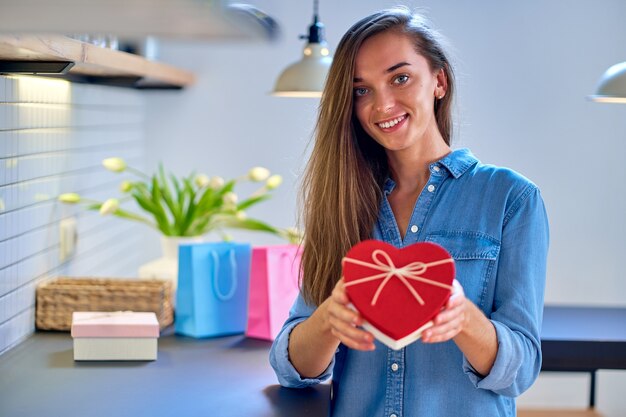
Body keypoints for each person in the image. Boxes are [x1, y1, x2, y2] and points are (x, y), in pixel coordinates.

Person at [270, 6, 549, 417]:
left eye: (400, 78)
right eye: (361, 89)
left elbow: (521, 368)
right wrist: (329, 319)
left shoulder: (511, 199)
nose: (382, 105)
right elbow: (290, 368)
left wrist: (464, 320)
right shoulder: (343, 202)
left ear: (439, 81)